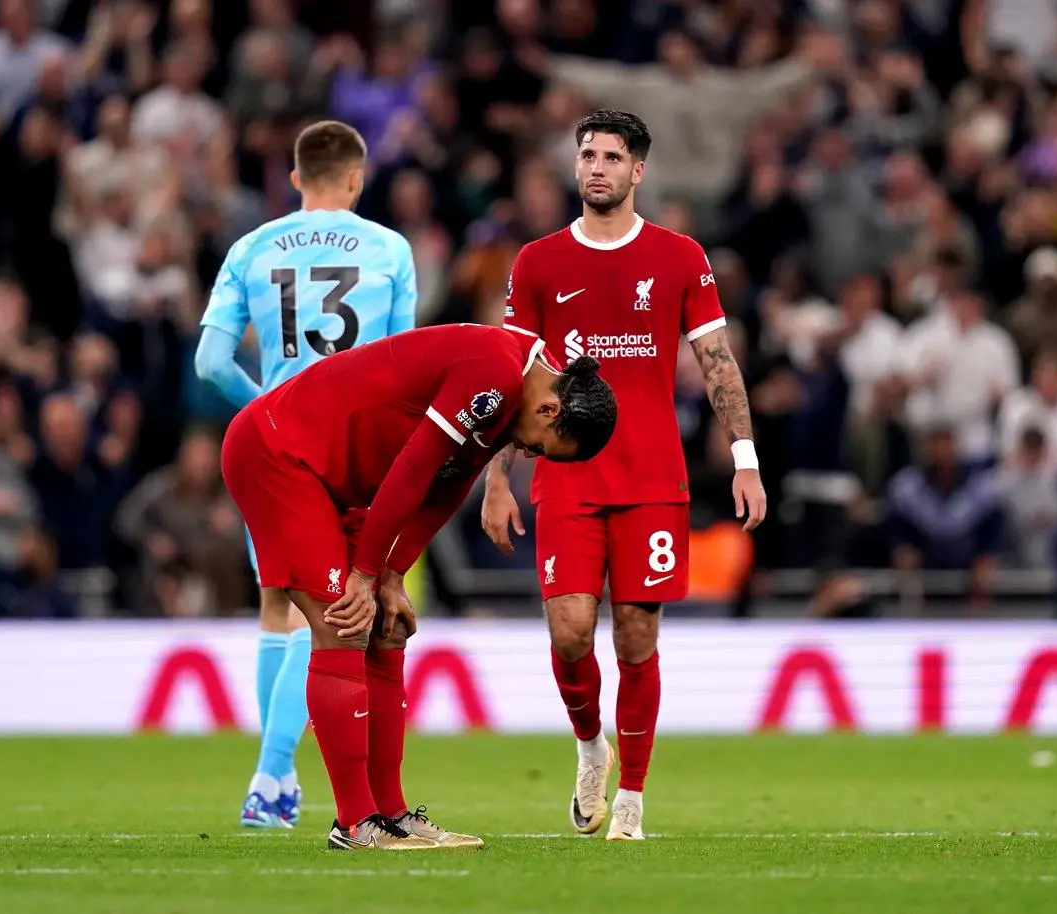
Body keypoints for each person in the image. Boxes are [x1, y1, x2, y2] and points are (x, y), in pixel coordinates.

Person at [219, 323, 618, 850]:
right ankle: (355, 824)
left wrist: (391, 574)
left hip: (337, 479)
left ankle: (391, 814)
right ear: (550, 409)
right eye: (543, 447)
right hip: (280, 454)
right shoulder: (495, 374)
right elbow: (414, 467)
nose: (530, 452)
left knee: (388, 629)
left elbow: (450, 484)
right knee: (343, 624)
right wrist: (364, 574)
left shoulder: (517, 388)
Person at [482, 109, 766, 841]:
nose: (597, 168)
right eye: (588, 155)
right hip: (567, 478)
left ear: (638, 170)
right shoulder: (538, 261)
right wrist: (496, 479)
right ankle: (590, 747)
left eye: (612, 157)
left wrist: (745, 459)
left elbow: (717, 363)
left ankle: (632, 798)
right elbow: (513, 377)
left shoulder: (679, 257)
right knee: (571, 632)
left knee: (636, 639)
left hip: (651, 480)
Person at [193, 120, 417, 830]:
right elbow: (402, 366)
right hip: (350, 454)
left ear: (295, 178)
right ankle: (270, 776)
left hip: (273, 450)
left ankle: (278, 781)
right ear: (356, 177)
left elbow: (209, 362)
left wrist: (268, 410)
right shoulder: (388, 248)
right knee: (329, 619)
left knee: (277, 606)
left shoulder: (251, 247)